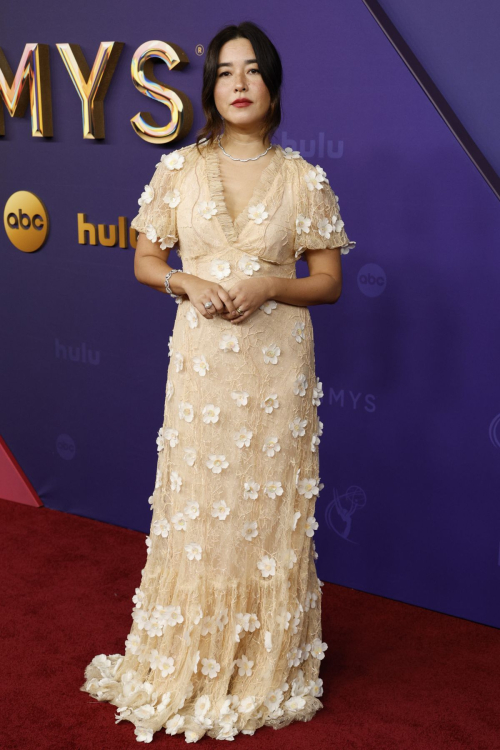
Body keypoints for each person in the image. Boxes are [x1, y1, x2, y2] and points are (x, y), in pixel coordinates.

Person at [80, 20, 356, 744]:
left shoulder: (304, 178)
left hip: (275, 371)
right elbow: (144, 257)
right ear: (210, 88)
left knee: (265, 517)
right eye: (226, 72)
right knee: (202, 511)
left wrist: (271, 284)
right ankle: (191, 656)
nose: (238, 83)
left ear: (272, 86)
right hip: (203, 364)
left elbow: (327, 282)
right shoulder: (180, 169)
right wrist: (185, 279)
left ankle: (265, 663)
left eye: (253, 71)